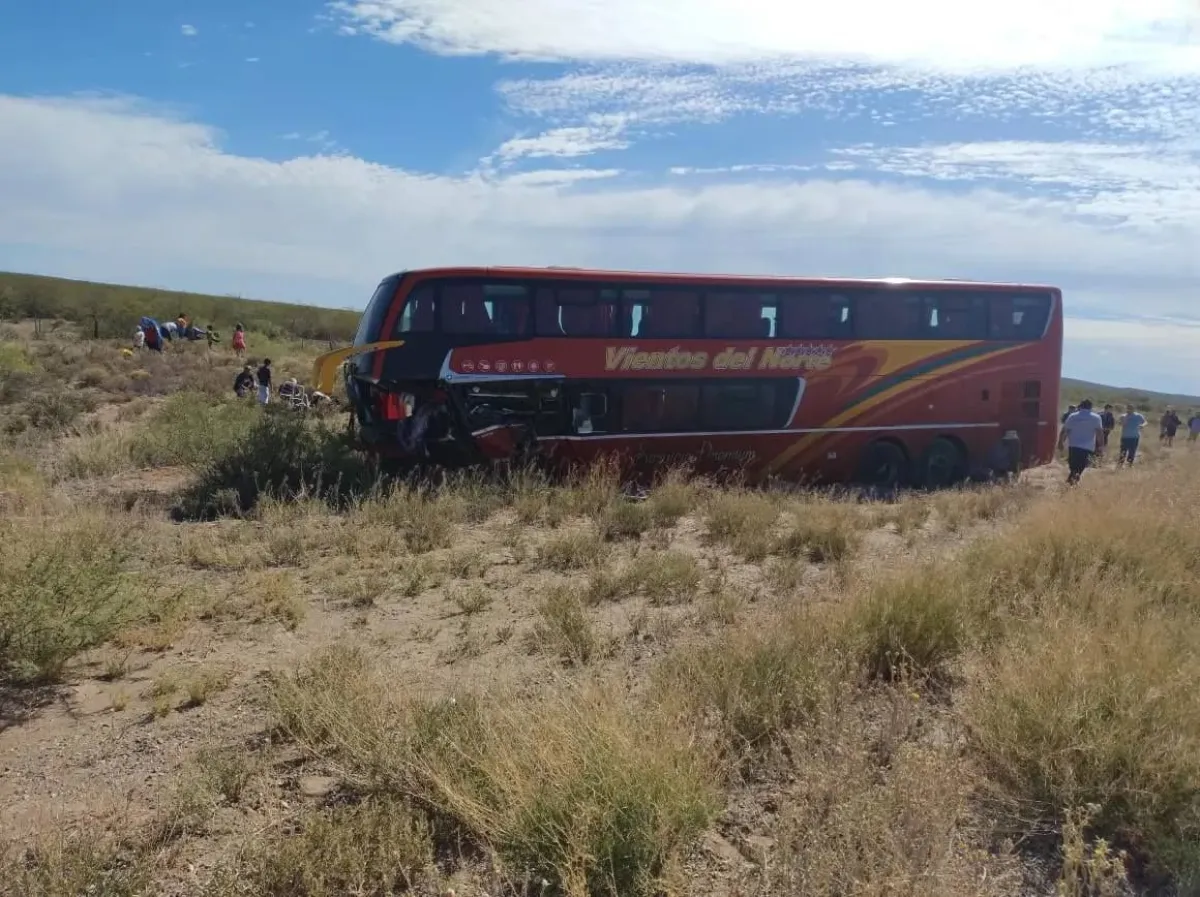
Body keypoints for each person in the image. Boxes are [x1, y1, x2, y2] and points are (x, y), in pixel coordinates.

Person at [1058, 398, 1104, 486]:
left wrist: (1061, 442)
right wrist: (1100, 446)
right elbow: (1099, 433)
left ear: (1080, 406)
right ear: (1091, 407)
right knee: (1080, 467)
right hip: (1087, 447)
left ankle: (1070, 484)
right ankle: (1071, 484)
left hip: (1073, 445)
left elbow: (1065, 430)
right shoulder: (1096, 417)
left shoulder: (1072, 416)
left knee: (1073, 466)